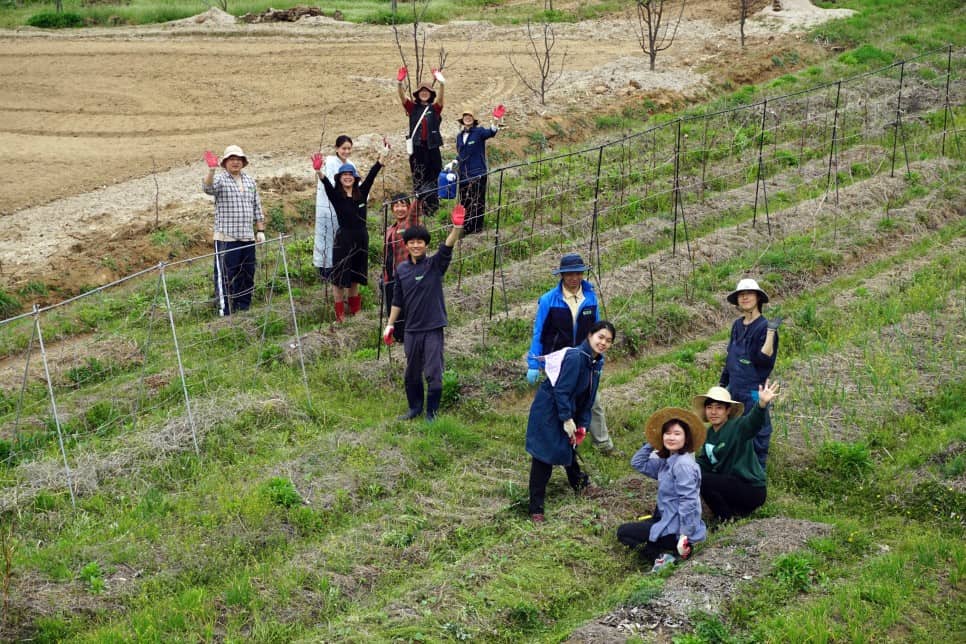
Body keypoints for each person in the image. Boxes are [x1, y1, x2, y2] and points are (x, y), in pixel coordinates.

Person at [525, 321, 616, 522]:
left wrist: (582, 423)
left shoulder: (596, 362)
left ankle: (580, 485)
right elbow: (562, 390)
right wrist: (566, 418)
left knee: (569, 447)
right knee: (544, 456)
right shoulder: (576, 357)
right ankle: (535, 508)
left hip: (569, 407)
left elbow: (589, 396)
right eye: (600, 337)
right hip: (550, 409)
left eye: (608, 341)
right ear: (590, 335)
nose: (603, 343)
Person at [526, 254, 614, 453]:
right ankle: (553, 441)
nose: (574, 278)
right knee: (557, 400)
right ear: (562, 275)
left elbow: (598, 330)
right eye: (569, 274)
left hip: (584, 358)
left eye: (578, 273)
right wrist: (533, 363)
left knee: (592, 401)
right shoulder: (549, 300)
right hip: (558, 360)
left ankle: (603, 443)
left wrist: (598, 356)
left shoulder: (590, 298)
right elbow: (539, 331)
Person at [382, 208, 464, 421]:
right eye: (412, 242)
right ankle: (415, 408)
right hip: (411, 329)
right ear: (406, 245)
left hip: (433, 327)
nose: (416, 245)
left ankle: (432, 413)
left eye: (420, 242)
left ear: (425, 245)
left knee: (433, 372)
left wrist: (456, 228)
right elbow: (397, 300)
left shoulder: (434, 265)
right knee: (412, 372)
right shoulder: (402, 270)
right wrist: (390, 325)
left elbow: (447, 246)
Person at [616, 407, 707, 572]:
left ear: (686, 438)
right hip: (665, 518)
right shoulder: (668, 461)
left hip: (676, 529)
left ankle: (660, 558)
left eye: (677, 433)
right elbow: (638, 463)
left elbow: (689, 501)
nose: (671, 437)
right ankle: (665, 552)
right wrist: (653, 442)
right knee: (638, 527)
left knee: (623, 532)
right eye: (667, 433)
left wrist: (684, 536)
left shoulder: (682, 465)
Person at [317, 145, 389, 322]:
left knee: (355, 275)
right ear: (340, 179)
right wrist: (318, 170)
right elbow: (325, 183)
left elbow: (372, 174)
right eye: (344, 175)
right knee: (340, 276)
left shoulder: (361, 192)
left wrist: (382, 157)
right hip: (344, 239)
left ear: (355, 178)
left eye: (350, 175)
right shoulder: (336, 195)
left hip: (361, 238)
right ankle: (340, 314)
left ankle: (355, 311)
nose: (347, 177)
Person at [694, 380, 780, 522]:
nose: (713, 412)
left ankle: (725, 519)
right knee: (698, 476)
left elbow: (752, 422)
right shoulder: (709, 434)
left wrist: (761, 405)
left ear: (728, 410)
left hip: (750, 488)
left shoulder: (737, 427)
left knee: (705, 480)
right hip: (730, 485)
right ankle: (733, 512)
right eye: (709, 407)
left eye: (719, 408)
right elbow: (704, 462)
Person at [719, 278, 781, 468]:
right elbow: (731, 356)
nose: (744, 297)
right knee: (731, 432)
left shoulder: (764, 327)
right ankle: (734, 472)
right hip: (734, 388)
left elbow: (764, 360)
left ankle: (756, 477)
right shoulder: (737, 325)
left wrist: (770, 334)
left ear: (758, 298)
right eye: (740, 295)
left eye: (749, 294)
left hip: (755, 391)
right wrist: (722, 385)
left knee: (757, 434)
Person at [202, 145, 265, 316]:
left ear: (243, 162)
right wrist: (211, 170)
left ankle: (243, 308)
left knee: (247, 274)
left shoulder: (250, 181)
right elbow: (208, 188)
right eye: (232, 159)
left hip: (247, 237)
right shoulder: (221, 180)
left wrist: (260, 230)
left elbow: (256, 206)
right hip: (226, 238)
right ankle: (226, 311)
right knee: (225, 277)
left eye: (238, 159)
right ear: (225, 163)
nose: (235, 162)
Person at [397, 66, 445, 217]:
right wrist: (399, 83)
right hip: (417, 149)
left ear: (430, 94)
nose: (424, 94)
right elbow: (403, 98)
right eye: (422, 92)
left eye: (427, 92)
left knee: (433, 176)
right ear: (418, 94)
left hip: (432, 148)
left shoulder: (435, 109)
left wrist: (442, 83)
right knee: (418, 177)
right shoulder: (413, 108)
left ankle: (432, 208)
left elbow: (441, 100)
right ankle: (420, 208)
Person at [312, 135, 355, 285]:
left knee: (340, 241)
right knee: (326, 241)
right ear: (337, 148)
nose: (346, 151)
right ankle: (325, 273)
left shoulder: (350, 164)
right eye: (344, 148)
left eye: (349, 148)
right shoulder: (330, 163)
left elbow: (356, 184)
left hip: (344, 210)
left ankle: (340, 271)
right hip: (328, 208)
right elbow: (330, 184)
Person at [454, 106, 502, 235]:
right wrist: (454, 162)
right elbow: (461, 153)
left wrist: (496, 119)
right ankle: (466, 227)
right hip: (463, 174)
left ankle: (477, 228)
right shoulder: (459, 136)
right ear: (462, 120)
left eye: (470, 116)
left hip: (478, 172)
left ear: (474, 119)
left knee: (478, 201)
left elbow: (491, 132)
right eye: (465, 117)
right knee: (465, 201)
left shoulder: (479, 132)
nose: (467, 118)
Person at [381, 193, 422, 343]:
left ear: (409, 207)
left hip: (408, 274)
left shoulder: (410, 225)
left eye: (403, 205)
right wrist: (385, 276)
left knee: (408, 307)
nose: (400, 209)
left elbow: (414, 215)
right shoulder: (390, 230)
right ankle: (398, 337)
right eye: (396, 205)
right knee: (394, 306)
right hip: (392, 275)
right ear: (392, 209)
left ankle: (410, 338)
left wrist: (418, 199)